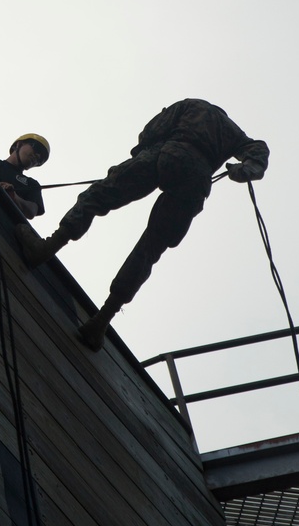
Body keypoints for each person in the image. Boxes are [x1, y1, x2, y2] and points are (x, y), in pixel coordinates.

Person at [15, 98, 268, 352]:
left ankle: (46, 248)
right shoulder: (234, 133)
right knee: (150, 249)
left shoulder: (193, 105)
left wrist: (140, 156)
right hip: (197, 181)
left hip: (168, 152)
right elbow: (258, 151)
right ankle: (101, 321)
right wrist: (244, 169)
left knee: (98, 196)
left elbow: (154, 129)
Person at [0, 135, 50, 220]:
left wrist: (14, 197)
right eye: (37, 149)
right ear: (19, 144)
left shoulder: (31, 185)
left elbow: (32, 211)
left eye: (41, 159)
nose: (38, 156)